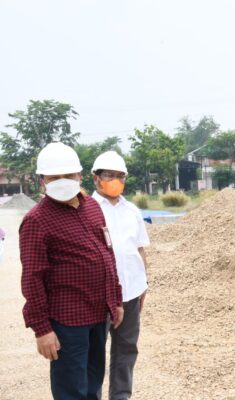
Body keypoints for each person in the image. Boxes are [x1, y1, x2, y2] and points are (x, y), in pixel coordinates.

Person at [20, 142, 123, 400]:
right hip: (67, 320)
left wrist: (116, 300)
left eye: (68, 175)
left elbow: (107, 255)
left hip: (98, 314)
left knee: (92, 383)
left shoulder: (91, 207)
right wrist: (42, 329)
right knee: (71, 389)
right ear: (43, 181)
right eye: (55, 177)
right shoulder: (36, 221)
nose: (63, 181)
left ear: (79, 175)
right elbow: (33, 278)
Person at [91, 151, 150, 400]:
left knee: (126, 349)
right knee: (94, 353)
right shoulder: (87, 210)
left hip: (131, 292)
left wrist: (144, 284)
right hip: (98, 297)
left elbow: (139, 249)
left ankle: (121, 396)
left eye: (120, 176)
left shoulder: (132, 211)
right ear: (95, 178)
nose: (115, 180)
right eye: (109, 175)